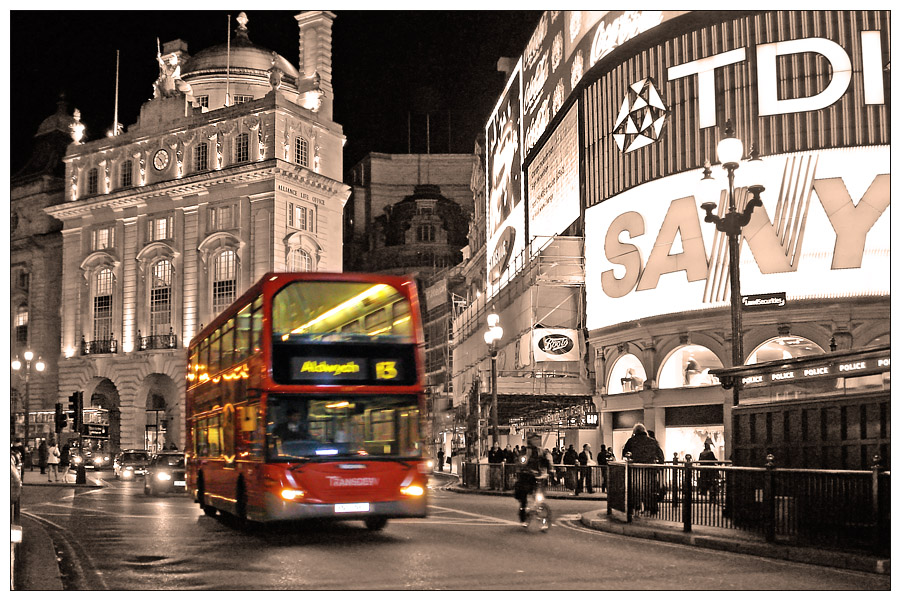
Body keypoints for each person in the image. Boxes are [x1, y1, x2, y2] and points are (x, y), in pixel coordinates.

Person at [622, 423, 664, 514]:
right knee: (650, 489)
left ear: (634, 432)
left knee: (636, 488)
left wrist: (631, 456)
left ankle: (636, 507)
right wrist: (659, 467)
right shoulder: (652, 441)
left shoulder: (632, 441)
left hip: (637, 468)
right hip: (650, 468)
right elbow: (661, 455)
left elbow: (624, 453)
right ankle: (652, 508)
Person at [513, 433, 550, 527]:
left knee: (539, 497)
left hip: (536, 478)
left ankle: (541, 516)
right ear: (530, 441)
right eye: (535, 440)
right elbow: (522, 461)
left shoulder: (540, 451)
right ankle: (524, 518)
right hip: (526, 478)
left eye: (538, 440)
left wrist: (550, 470)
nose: (537, 442)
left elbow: (545, 462)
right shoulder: (526, 451)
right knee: (524, 500)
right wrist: (525, 467)